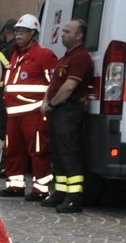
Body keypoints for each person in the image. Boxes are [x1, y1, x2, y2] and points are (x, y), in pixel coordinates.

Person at [41, 18, 95, 213]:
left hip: (68, 109)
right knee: (57, 152)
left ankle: (74, 197)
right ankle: (60, 192)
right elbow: (55, 82)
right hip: (58, 110)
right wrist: (47, 101)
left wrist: (51, 103)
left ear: (79, 36)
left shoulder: (81, 57)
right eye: (63, 31)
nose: (62, 34)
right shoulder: (66, 57)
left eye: (67, 31)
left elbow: (69, 87)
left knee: (69, 153)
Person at [0, 13, 53, 201]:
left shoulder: (44, 55)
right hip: (13, 114)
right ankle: (15, 185)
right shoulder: (15, 54)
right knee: (12, 150)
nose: (19, 34)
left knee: (38, 151)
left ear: (34, 34)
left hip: (34, 113)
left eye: (24, 31)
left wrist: (47, 105)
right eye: (17, 31)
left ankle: (41, 188)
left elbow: (53, 83)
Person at [0, 18, 17, 178]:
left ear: (7, 32)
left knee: (5, 131)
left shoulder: (5, 51)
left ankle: (6, 163)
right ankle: (7, 161)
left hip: (4, 95)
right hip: (14, 94)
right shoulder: (20, 49)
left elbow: (1, 68)